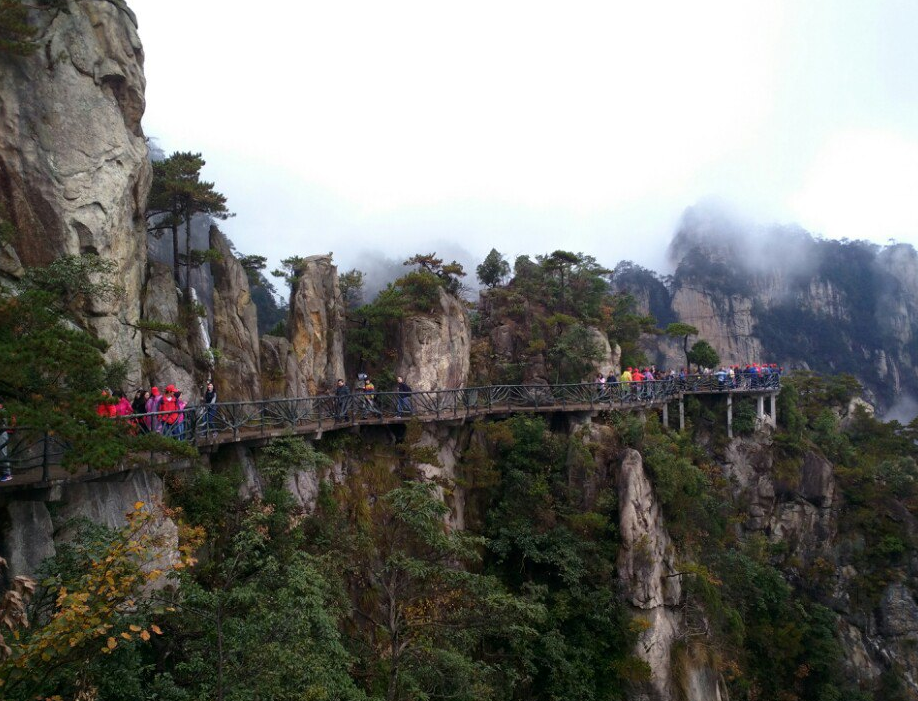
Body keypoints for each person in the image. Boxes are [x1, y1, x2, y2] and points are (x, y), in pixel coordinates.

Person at [0, 397, 13, 483]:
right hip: (2, 433)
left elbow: (4, 423)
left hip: (2, 433)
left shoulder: (3, 410)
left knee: (3, 453)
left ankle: (7, 474)